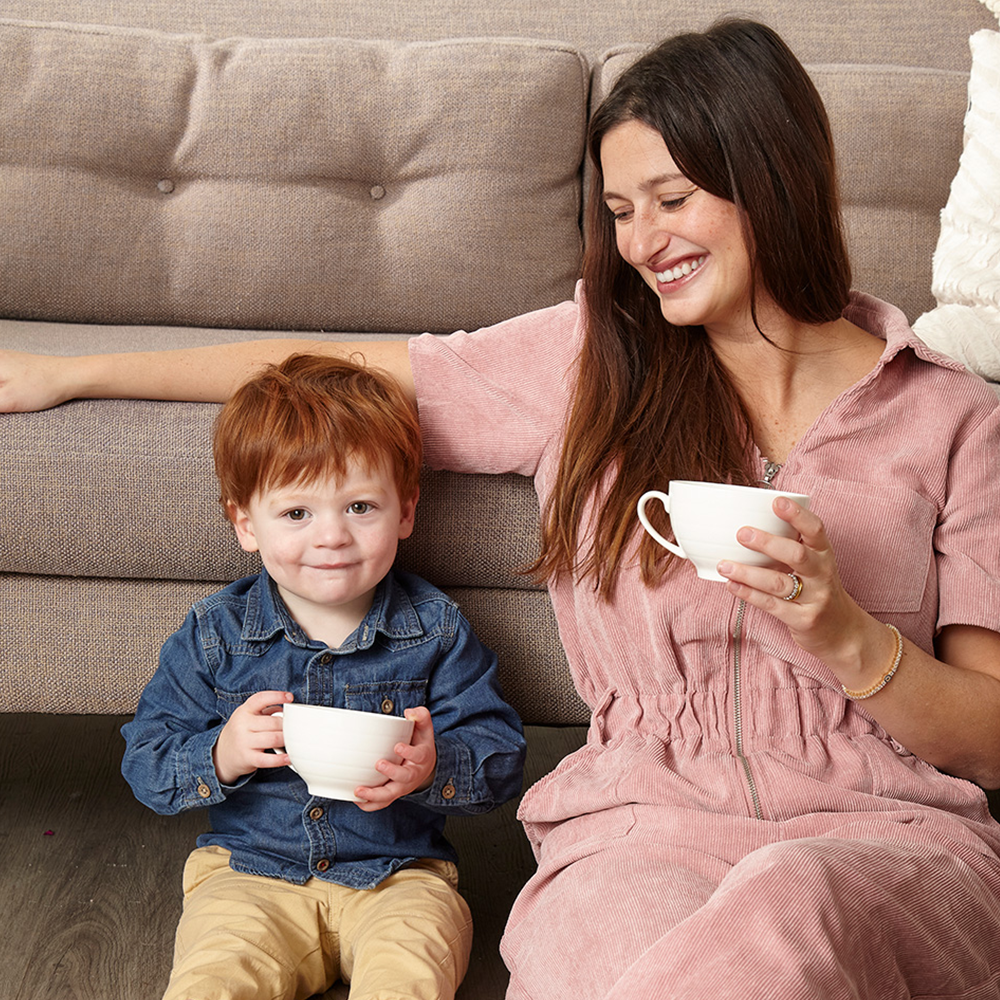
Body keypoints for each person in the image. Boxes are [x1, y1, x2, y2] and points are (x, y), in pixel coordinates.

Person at [3, 17, 1000, 999]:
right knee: (607, 959)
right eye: (619, 210)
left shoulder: (953, 417)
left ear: (770, 180)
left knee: (791, 902)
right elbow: (334, 372)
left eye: (670, 198)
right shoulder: (588, 361)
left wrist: (841, 631)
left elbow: (988, 735)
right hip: (638, 827)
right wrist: (70, 371)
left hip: (886, 834)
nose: (642, 242)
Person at [119, 353, 526, 1000]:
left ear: (406, 512)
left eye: (361, 506)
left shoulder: (437, 630)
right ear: (246, 524)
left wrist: (433, 766)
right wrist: (221, 754)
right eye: (297, 514)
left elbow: (501, 756)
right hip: (250, 875)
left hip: (399, 876)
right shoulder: (216, 633)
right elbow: (145, 760)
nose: (332, 536)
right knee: (213, 980)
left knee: (410, 976)